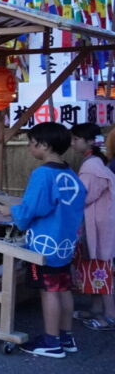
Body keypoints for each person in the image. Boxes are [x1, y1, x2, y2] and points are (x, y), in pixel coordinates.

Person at [0, 122, 87, 358]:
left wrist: (11, 212)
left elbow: (32, 208)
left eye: (32, 144)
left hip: (45, 244)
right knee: (63, 288)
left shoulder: (42, 174)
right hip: (65, 243)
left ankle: (51, 342)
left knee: (49, 290)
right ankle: (66, 337)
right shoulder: (70, 174)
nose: (30, 148)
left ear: (45, 145)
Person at [68, 123, 115, 330]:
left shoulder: (91, 167)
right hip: (100, 221)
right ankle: (97, 309)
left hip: (97, 224)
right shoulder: (96, 162)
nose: (72, 143)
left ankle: (110, 315)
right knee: (93, 266)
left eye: (76, 139)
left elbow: (84, 197)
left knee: (99, 267)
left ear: (89, 142)